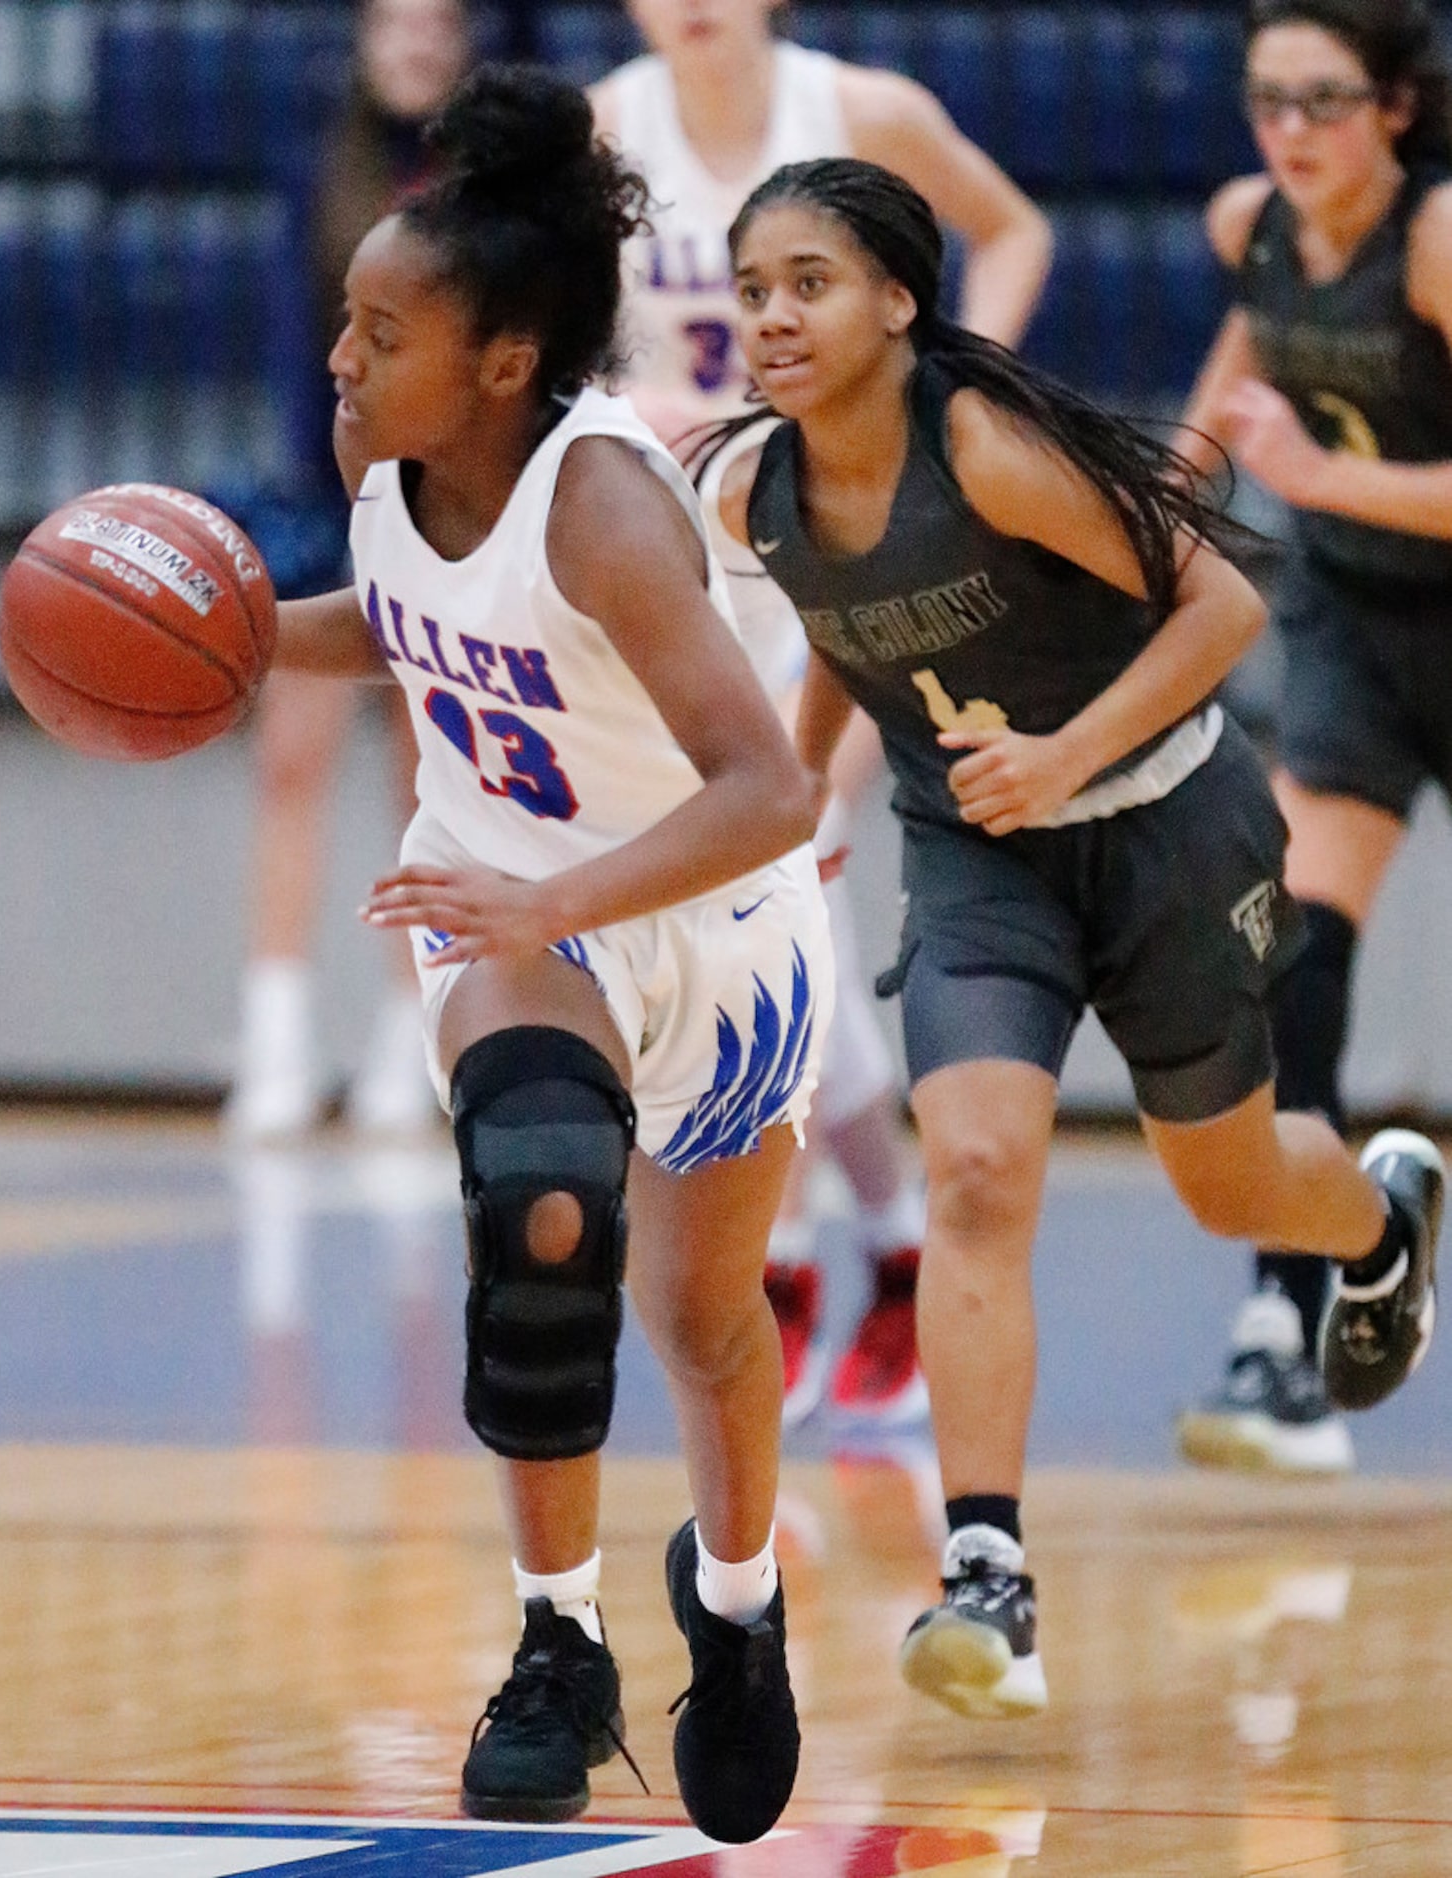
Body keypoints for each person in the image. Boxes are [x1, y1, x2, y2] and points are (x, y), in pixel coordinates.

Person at [702, 153, 1444, 1722]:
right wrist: (804, 792)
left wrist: (1065, 755)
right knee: (974, 1167)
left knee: (1223, 1177)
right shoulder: (751, 486)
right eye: (752, 288)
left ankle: (1373, 1227)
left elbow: (1223, 612)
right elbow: (846, 633)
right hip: (976, 857)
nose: (771, 315)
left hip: (1169, 824)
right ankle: (988, 1575)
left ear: (900, 300)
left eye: (808, 283)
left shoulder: (980, 447)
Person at [269, 65, 835, 1841]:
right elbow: (404, 614)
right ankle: (556, 1644)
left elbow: (766, 786)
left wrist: (564, 908)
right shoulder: (387, 458)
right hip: (504, 897)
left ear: (504, 361)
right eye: (348, 322)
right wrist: (222, 642)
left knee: (701, 1315)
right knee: (536, 1205)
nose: (341, 358)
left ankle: (735, 1610)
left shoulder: (600, 505)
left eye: (380, 330)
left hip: (707, 918)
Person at [591, 0, 1054, 1425]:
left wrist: (936, 397)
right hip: (677, 562)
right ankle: (874, 1240)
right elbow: (551, 326)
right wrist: (619, 399)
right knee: (733, 919)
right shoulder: (606, 125)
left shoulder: (859, 114)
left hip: (831, 552)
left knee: (787, 886)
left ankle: (800, 1261)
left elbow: (1016, 229)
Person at [1175, 0, 1452, 1477]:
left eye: (1321, 101)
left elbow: (1292, 452)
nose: (1287, 131)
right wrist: (1141, 523)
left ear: (1394, 108)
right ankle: (1287, 1329)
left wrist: (1307, 476)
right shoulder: (1253, 224)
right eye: (1266, 99)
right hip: (1358, 624)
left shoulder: (1431, 237)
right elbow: (1229, 405)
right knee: (1291, 953)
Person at [225, 0, 473, 1142]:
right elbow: (290, 347)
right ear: (366, 42)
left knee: (426, 787)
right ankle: (274, 1041)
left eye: (438, 24)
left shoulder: (484, 180)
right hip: (330, 499)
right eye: (398, 23)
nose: (417, 42)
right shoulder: (313, 167)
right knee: (292, 764)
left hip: (448, 507)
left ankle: (406, 1042)